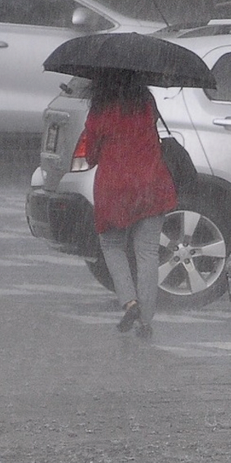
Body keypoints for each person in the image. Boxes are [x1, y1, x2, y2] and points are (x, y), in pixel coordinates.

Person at [78, 70, 175, 340]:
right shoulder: (146, 104)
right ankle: (146, 321)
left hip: (114, 188)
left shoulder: (100, 111)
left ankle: (130, 302)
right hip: (150, 184)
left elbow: (92, 156)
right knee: (147, 254)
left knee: (112, 246)